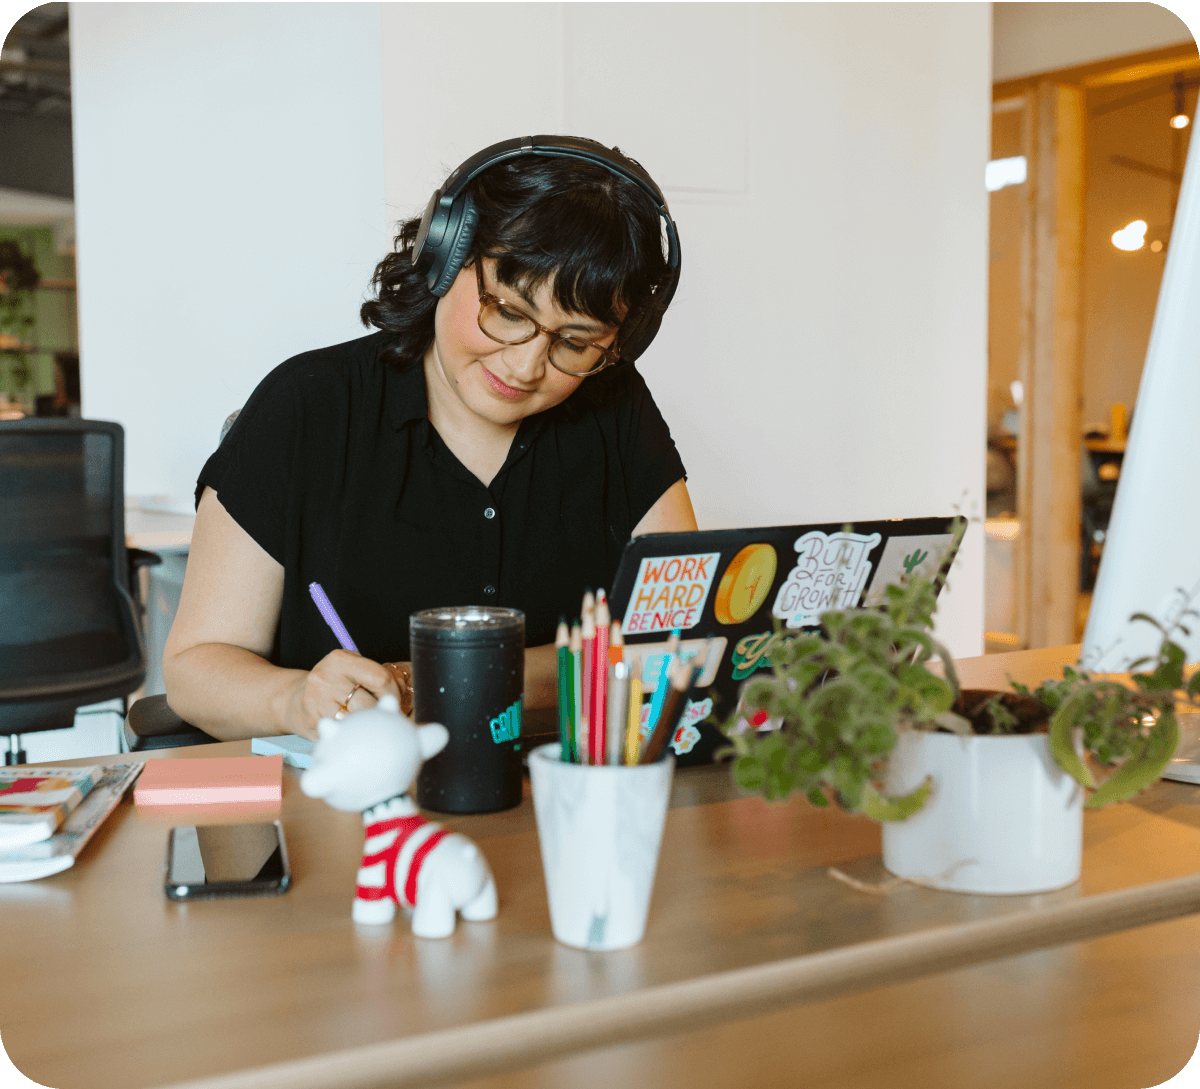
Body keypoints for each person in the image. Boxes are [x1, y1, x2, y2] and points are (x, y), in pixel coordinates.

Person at [163, 137, 697, 741]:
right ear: (444, 256)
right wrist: (294, 701)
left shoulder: (615, 405)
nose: (525, 367)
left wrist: (426, 679)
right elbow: (196, 667)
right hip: (349, 801)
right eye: (511, 312)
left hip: (552, 793)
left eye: (574, 343)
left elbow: (675, 640)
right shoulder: (306, 406)